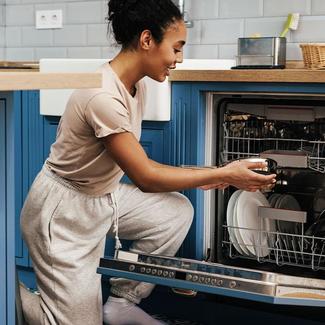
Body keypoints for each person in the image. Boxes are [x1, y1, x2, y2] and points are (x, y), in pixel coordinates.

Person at [19, 0, 276, 324]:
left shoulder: (135, 85)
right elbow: (146, 177)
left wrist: (214, 174)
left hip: (104, 196)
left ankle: (122, 303)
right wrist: (226, 173)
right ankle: (9, 290)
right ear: (146, 40)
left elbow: (139, 162)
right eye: (176, 48)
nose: (179, 59)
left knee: (174, 211)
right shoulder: (102, 96)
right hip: (63, 213)